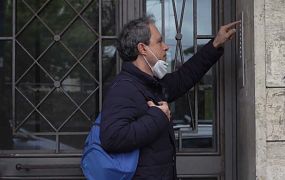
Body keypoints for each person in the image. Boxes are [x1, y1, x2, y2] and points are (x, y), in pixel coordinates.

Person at [100, 15, 240, 179]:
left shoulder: (150, 83)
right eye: (159, 42)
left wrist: (216, 43)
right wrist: (158, 116)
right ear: (143, 48)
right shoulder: (124, 88)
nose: (166, 47)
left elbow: (184, 77)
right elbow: (112, 138)